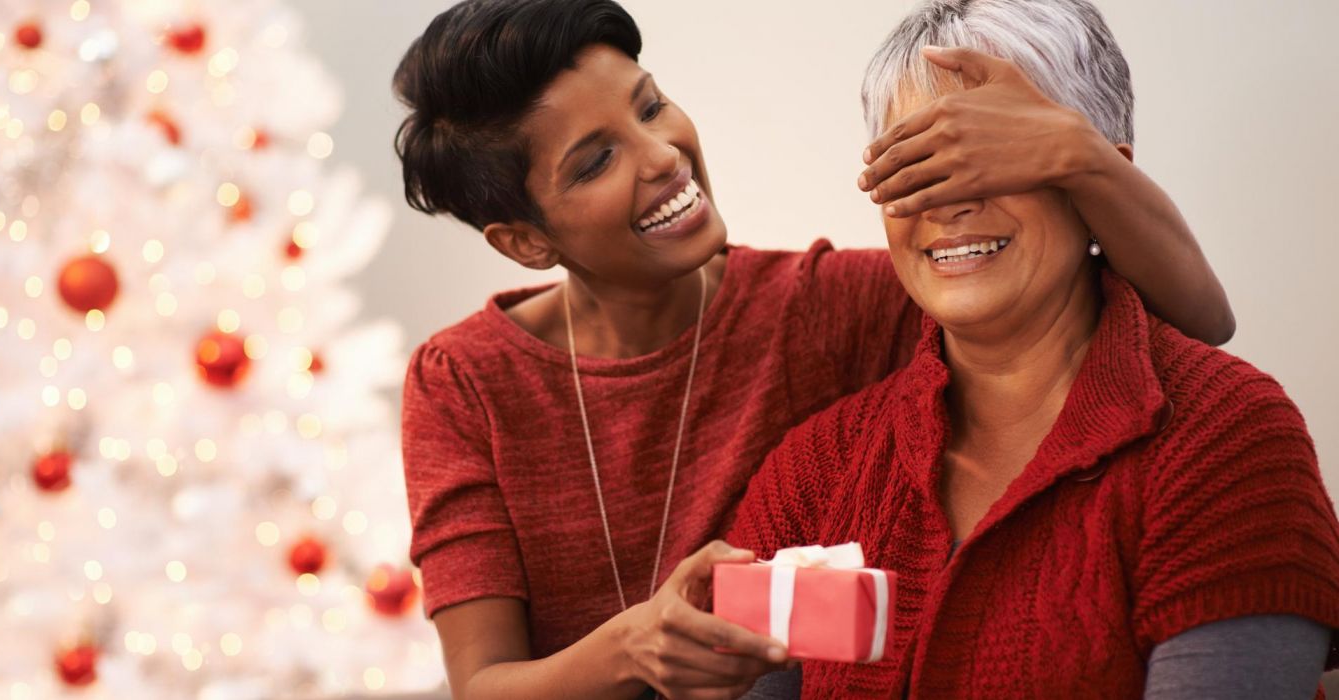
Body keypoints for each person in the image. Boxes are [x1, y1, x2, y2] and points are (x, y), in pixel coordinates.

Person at [393, 1, 1235, 696]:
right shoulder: (462, 381)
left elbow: (1187, 325)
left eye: (649, 107)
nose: (662, 155)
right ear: (525, 242)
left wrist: (1079, 155)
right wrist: (634, 647)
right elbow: (483, 684)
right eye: (595, 162)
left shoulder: (826, 307)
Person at [725, 0, 1339, 696]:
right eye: (916, 164)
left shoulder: (1227, 439)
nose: (949, 202)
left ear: (1101, 186)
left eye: (990, 158)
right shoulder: (817, 470)